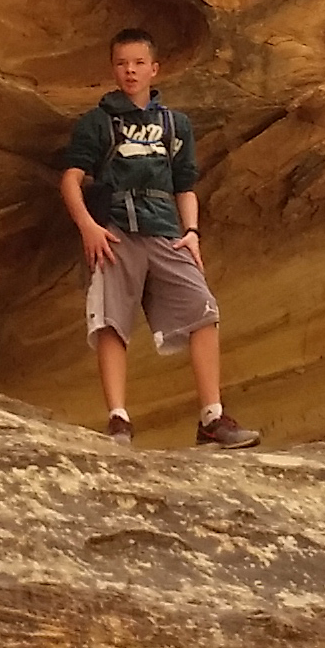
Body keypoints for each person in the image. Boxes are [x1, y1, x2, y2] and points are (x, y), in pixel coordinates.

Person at [57, 28, 260, 445]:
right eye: (121, 63)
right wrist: (89, 228)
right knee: (112, 320)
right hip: (115, 229)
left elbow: (184, 184)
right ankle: (118, 419)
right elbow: (71, 179)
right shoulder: (98, 123)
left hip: (166, 228)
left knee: (203, 312)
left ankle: (212, 417)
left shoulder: (175, 124)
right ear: (113, 68)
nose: (129, 71)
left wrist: (192, 233)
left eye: (137, 63)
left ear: (154, 68)